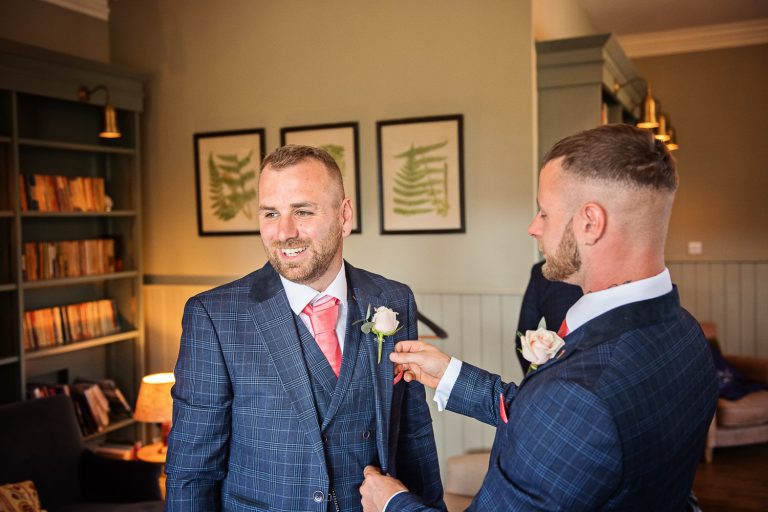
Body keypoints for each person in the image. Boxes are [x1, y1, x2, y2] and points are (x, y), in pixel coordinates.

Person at [360, 124, 719, 511]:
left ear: (590, 223)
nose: (534, 227)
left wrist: (391, 503)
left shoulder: (580, 394)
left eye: (545, 213)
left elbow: (570, 414)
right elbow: (560, 430)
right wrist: (450, 374)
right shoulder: (686, 332)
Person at [165, 145, 445, 511]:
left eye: (303, 211)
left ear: (344, 216)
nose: (284, 232)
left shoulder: (394, 299)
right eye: (270, 213)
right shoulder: (214, 316)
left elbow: (413, 433)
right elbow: (192, 471)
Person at [515, 260, 582, 373]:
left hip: (557, 371)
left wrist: (536, 380)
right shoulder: (541, 272)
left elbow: (523, 336)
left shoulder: (542, 272)